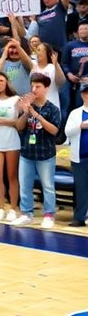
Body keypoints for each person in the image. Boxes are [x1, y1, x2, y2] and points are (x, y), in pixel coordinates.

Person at [11, 73, 61, 228]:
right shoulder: (26, 106)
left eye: (38, 86)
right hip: (27, 152)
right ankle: (26, 213)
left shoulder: (53, 109)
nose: (34, 89)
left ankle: (49, 215)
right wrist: (26, 112)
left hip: (45, 154)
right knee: (25, 185)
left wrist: (36, 115)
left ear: (46, 88)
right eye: (32, 86)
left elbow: (54, 130)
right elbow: (19, 127)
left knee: (47, 186)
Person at [0, 72, 21, 222]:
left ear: (7, 82)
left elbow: (19, 124)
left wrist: (6, 121)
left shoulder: (15, 99)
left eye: (1, 81)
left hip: (12, 139)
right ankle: (0, 207)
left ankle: (13, 207)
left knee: (12, 175)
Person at [62, 83, 88, 227]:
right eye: (85, 93)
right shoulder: (75, 113)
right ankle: (79, 217)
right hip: (80, 157)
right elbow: (67, 132)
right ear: (82, 95)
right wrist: (81, 126)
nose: (87, 95)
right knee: (81, 188)